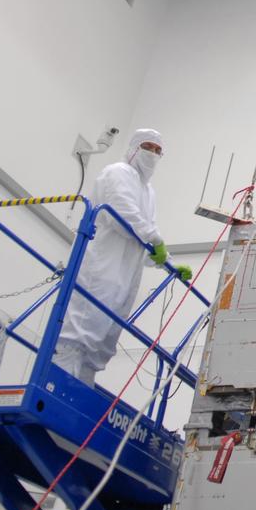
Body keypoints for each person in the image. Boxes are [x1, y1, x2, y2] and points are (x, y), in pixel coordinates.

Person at [54, 129, 191, 385]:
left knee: (102, 339)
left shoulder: (148, 191)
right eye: (148, 147)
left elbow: (143, 242)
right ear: (134, 148)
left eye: (158, 151)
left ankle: (82, 389)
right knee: (80, 329)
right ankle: (58, 387)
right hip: (99, 267)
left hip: (123, 275)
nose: (153, 154)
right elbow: (123, 214)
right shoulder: (118, 172)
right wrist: (156, 240)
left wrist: (169, 264)